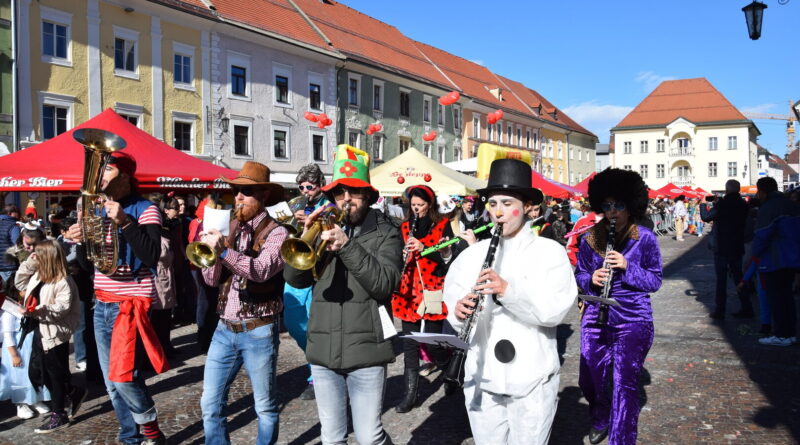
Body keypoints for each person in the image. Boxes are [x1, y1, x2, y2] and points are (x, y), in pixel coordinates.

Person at [443, 159, 577, 444]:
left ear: (528, 206)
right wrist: (458, 312)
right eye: (492, 204)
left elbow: (554, 311)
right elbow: (452, 301)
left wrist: (507, 291)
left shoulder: (549, 252)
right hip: (482, 376)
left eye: (507, 203)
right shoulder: (472, 255)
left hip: (531, 379)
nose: (498, 212)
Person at [284, 145, 402, 445]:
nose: (346, 199)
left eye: (354, 192)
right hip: (323, 351)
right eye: (339, 193)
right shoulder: (324, 227)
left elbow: (384, 284)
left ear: (368, 196)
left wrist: (348, 246)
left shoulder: (387, 232)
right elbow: (295, 279)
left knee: (369, 437)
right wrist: (305, 235)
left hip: (367, 351)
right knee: (332, 438)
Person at [66, 151, 168, 445]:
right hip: (102, 302)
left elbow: (150, 256)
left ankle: (152, 432)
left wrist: (125, 221)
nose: (99, 176)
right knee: (112, 382)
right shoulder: (97, 211)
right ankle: (129, 436)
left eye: (106, 170)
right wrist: (81, 241)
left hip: (130, 303)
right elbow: (89, 267)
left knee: (124, 377)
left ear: (125, 176)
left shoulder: (146, 209)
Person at [199, 161, 288, 445]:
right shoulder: (229, 226)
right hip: (224, 327)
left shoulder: (278, 232)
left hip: (258, 328)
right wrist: (210, 253)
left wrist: (224, 253)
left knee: (265, 406)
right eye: (236, 190)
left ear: (263, 196)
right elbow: (211, 280)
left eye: (246, 192)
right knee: (210, 403)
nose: (237, 197)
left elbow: (260, 270)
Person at [575, 168, 663, 445]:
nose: (613, 212)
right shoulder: (590, 238)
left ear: (631, 205)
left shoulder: (644, 238)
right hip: (595, 316)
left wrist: (627, 266)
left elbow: (655, 280)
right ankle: (601, 416)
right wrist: (591, 279)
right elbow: (579, 274)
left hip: (633, 318)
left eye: (619, 205)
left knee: (624, 386)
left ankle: (621, 439)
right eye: (607, 205)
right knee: (590, 379)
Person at [392, 184, 458, 413]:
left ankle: (451, 371)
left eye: (420, 205)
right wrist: (402, 255)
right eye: (413, 205)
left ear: (429, 205)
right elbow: (396, 257)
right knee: (410, 343)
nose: (416, 209)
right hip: (408, 290)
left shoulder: (442, 225)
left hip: (432, 288)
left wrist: (425, 247)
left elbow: (450, 258)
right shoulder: (404, 227)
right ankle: (410, 394)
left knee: (432, 341)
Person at [15, 240, 84, 433]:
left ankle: (59, 414)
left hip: (55, 334)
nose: (35, 256)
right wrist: (29, 263)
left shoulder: (63, 281)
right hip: (39, 329)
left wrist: (38, 310)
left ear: (48, 258)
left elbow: (61, 308)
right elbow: (19, 282)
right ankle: (72, 392)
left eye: (38, 254)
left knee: (54, 375)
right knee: (37, 372)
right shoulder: (38, 275)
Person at [283, 164, 329, 400]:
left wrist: (313, 222)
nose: (305, 191)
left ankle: (317, 374)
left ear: (320, 184)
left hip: (317, 271)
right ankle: (315, 362)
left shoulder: (329, 206)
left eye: (309, 187)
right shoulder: (298, 204)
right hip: (296, 269)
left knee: (314, 327)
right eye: (301, 187)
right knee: (294, 324)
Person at [752, 176, 800, 346]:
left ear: (762, 191)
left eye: (758, 192)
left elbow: (762, 235)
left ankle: (781, 334)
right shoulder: (790, 204)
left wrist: (754, 254)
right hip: (792, 257)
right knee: (787, 296)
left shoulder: (769, 208)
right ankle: (790, 333)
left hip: (774, 258)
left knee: (776, 298)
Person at [700, 180, 748, 320]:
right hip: (737, 245)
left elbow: (706, 217)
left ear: (726, 190)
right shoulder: (743, 204)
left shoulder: (723, 204)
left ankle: (720, 310)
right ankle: (747, 307)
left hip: (722, 246)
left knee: (721, 280)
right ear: (738, 190)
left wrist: (703, 204)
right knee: (738, 277)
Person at [0, 204, 21, 283]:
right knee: (11, 288)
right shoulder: (13, 225)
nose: (19, 215)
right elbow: (18, 244)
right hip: (8, 265)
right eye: (17, 212)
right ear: (10, 213)